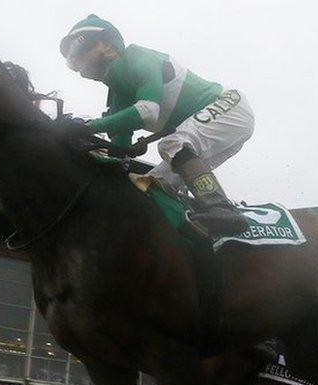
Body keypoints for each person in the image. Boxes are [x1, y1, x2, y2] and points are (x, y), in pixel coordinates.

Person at [59, 14, 253, 238]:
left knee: (173, 143)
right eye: (74, 59)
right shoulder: (118, 94)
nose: (78, 62)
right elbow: (120, 155)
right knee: (147, 187)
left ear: (107, 44)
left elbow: (148, 111)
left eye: (80, 51)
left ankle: (221, 209)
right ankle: (193, 240)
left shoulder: (137, 57)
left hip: (230, 106)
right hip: (217, 128)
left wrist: (87, 127)